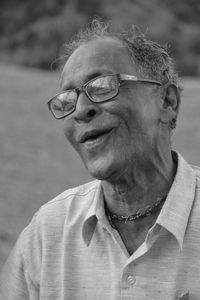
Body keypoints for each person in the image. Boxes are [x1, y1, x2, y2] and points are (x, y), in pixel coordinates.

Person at [0, 19, 199, 300]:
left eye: (103, 86)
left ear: (167, 102)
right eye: (67, 101)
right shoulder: (47, 234)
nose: (80, 110)